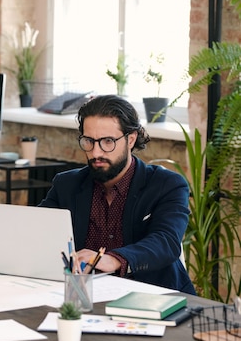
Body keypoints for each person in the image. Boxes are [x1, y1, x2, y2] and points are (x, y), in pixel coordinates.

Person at [38, 94, 196, 294]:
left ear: (131, 139)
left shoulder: (167, 185)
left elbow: (165, 242)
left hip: (153, 296)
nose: (96, 152)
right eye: (89, 141)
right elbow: (38, 231)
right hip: (86, 296)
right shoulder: (67, 184)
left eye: (107, 141)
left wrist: (113, 259)